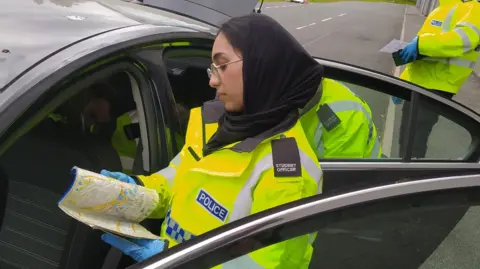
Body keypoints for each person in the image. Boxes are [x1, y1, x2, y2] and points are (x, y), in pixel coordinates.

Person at [99, 13, 324, 268]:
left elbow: (266, 266)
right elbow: (176, 180)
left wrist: (174, 258)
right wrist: (135, 190)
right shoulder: (215, 124)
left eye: (223, 65)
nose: (212, 80)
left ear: (261, 67)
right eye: (212, 67)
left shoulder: (289, 173)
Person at [394, 0, 480, 158]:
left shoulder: (473, 8)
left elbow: (463, 40)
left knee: (413, 144)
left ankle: (410, 179)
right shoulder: (440, 9)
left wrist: (422, 44)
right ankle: (406, 175)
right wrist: (402, 82)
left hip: (437, 86)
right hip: (418, 84)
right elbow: (417, 54)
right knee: (407, 139)